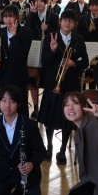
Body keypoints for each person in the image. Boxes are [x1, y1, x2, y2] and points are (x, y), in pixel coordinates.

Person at [37, 9, 88, 164]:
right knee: (49, 120)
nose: (67, 23)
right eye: (65, 19)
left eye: (71, 21)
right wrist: (52, 50)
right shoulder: (50, 37)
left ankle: (62, 150)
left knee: (68, 121)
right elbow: (44, 62)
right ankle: (49, 147)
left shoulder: (79, 40)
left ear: (75, 24)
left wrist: (74, 63)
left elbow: (85, 61)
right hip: (52, 84)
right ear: (60, 21)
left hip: (70, 86)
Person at [0, 5, 34, 117]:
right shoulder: (0, 32)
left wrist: (14, 36)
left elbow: (22, 55)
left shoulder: (27, 32)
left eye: (11, 16)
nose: (8, 19)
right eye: (5, 16)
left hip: (18, 78)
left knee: (19, 113)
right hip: (1, 78)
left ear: (17, 17)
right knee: (1, 113)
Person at [24, 0, 59, 118]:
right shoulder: (32, 14)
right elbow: (26, 30)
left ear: (47, 2)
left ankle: (45, 108)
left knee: (45, 81)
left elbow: (57, 33)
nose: (38, 3)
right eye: (36, 0)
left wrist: (48, 29)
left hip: (47, 51)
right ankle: (36, 107)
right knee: (32, 81)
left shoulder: (53, 16)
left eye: (41, 1)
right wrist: (32, 14)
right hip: (33, 50)